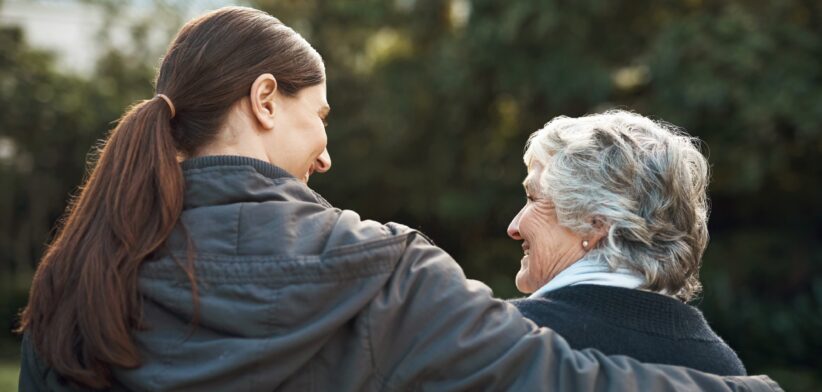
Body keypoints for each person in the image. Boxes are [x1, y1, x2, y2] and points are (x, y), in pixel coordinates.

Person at [16, 6, 780, 391]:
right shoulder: (385, 273)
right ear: (264, 100)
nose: (326, 151)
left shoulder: (76, 281)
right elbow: (562, 379)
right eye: (320, 117)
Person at [507, 111, 745, 375]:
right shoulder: (722, 364)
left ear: (596, 221)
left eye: (532, 197)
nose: (514, 227)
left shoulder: (515, 341)